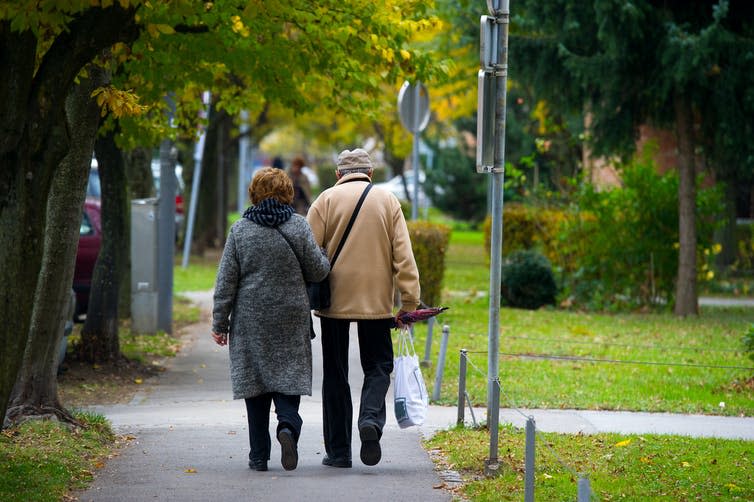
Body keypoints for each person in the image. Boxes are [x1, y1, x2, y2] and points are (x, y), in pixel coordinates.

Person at [306, 148, 420, 468]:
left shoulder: (325, 200)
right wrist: (408, 302)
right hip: (377, 302)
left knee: (336, 374)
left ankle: (339, 452)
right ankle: (370, 419)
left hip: (333, 302)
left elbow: (306, 251)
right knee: (379, 365)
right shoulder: (387, 202)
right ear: (370, 173)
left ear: (339, 175)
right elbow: (404, 257)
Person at [211, 167, 330, 472]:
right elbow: (318, 271)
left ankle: (258, 456)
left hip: (251, 319)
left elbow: (226, 281)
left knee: (256, 386)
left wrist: (219, 323)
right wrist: (325, 256)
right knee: (288, 378)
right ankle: (287, 428)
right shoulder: (298, 227)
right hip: (291, 315)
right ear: (287, 193)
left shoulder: (240, 230)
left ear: (254, 193)